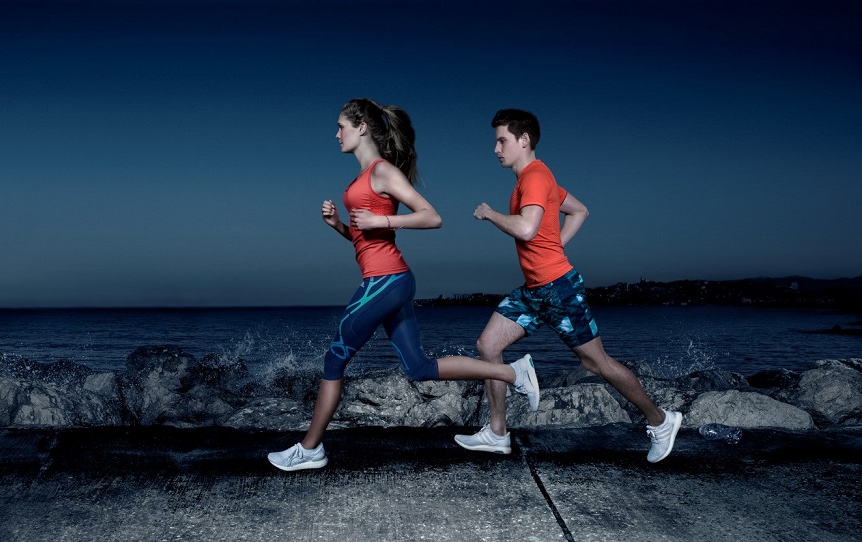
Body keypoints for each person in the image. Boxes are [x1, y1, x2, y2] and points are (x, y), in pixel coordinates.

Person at [267, 98, 540, 472]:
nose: (337, 134)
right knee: (419, 367)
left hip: (385, 281)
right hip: (391, 280)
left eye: (341, 126)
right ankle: (513, 373)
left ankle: (310, 449)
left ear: (362, 127)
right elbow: (365, 242)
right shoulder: (361, 178)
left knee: (334, 359)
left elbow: (432, 216)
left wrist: (383, 222)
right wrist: (339, 226)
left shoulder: (382, 172)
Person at [454, 108, 682, 463]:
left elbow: (526, 229)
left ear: (524, 140)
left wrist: (490, 214)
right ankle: (497, 432)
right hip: (534, 290)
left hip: (558, 290)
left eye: (502, 141)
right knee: (488, 345)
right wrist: (555, 245)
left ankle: (661, 421)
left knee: (596, 363)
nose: (496, 149)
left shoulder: (534, 177)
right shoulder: (537, 178)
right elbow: (580, 211)